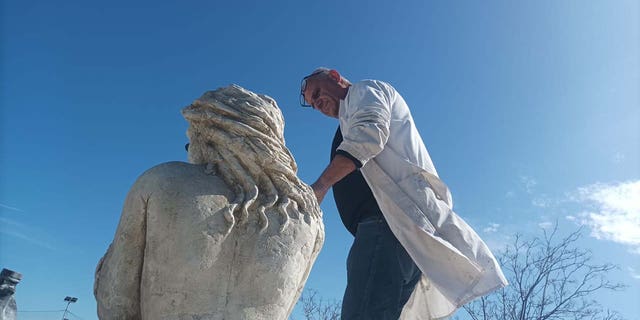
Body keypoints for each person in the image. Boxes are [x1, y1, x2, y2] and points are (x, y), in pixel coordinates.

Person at [300, 68, 508, 320]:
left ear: (334, 76)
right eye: (313, 104)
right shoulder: (348, 119)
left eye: (318, 93)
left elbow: (369, 134)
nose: (318, 104)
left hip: (387, 226)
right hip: (398, 235)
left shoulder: (364, 92)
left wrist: (319, 187)